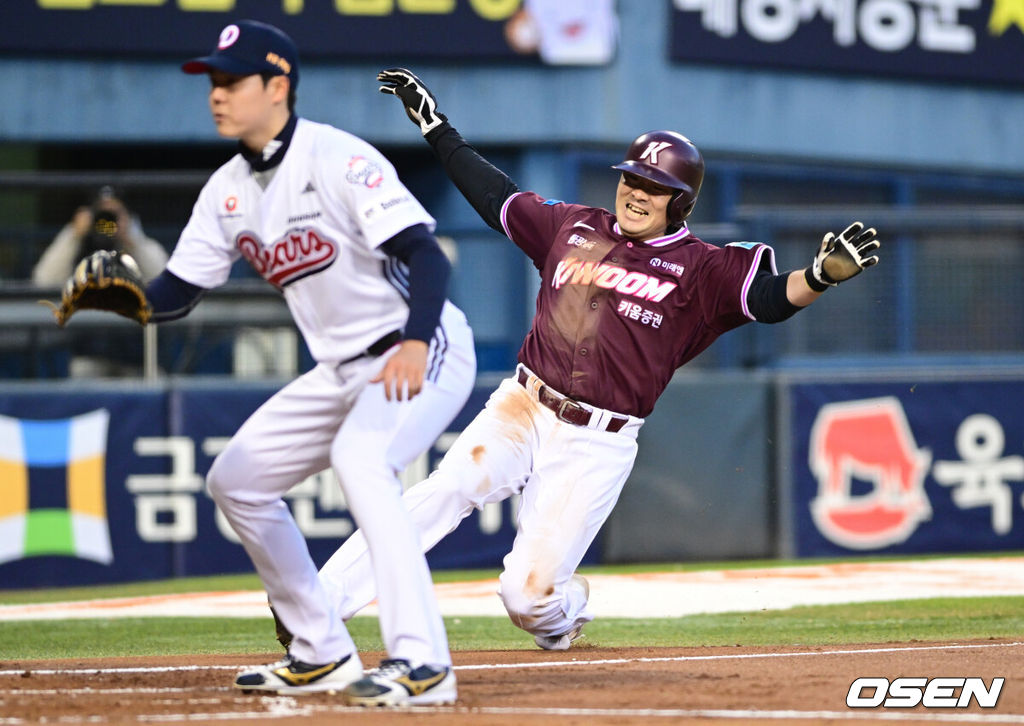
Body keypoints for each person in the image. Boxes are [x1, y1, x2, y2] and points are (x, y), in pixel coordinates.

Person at [300, 68, 882, 652]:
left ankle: (564, 612)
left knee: (527, 600)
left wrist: (819, 277)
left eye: (653, 186)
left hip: (596, 441)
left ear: (680, 202)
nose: (635, 191)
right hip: (523, 404)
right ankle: (322, 605)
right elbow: (495, 197)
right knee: (444, 489)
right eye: (631, 177)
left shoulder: (702, 267)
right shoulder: (572, 227)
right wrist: (437, 129)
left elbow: (768, 299)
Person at [70, 23, 474, 705]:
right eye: (213, 82)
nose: (217, 95)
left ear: (277, 86)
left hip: (421, 345)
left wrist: (413, 341)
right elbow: (177, 293)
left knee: (361, 460)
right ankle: (321, 649)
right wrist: (129, 300)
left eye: (231, 81)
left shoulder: (337, 158)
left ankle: (423, 662)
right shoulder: (228, 190)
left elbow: (425, 255)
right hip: (341, 371)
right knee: (238, 479)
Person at [33, 186, 168, 286]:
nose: (107, 221)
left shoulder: (133, 242)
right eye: (101, 214)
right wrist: (73, 235)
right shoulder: (77, 241)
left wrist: (131, 241)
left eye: (113, 214)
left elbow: (163, 282)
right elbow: (43, 281)